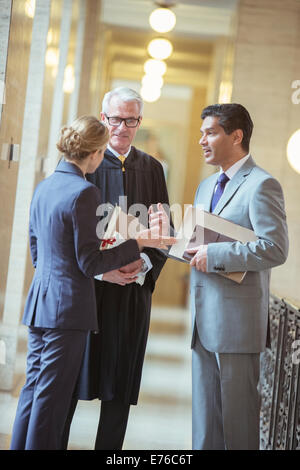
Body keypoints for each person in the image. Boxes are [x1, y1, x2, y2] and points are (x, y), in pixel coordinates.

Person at [10, 115, 175, 450]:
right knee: (52, 400)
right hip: (68, 310)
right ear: (97, 153)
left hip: (41, 301)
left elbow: (36, 248)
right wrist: (139, 241)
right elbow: (89, 261)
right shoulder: (85, 192)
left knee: (33, 391)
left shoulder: (46, 186)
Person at [150, 103, 289, 450]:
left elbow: (275, 248)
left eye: (210, 132)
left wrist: (217, 256)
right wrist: (167, 238)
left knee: (238, 427)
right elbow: (199, 247)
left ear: (236, 136)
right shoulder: (207, 185)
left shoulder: (262, 185)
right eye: (201, 133)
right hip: (202, 323)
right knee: (205, 428)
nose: (202, 140)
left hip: (237, 327)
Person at [62, 88, 170, 450]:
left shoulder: (153, 169)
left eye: (131, 120)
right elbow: (71, 233)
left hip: (131, 294)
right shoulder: (86, 165)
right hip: (88, 293)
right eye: (115, 119)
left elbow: (163, 231)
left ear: (139, 121)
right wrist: (100, 271)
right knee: (73, 381)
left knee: (120, 385)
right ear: (103, 117)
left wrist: (144, 265)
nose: (122, 127)